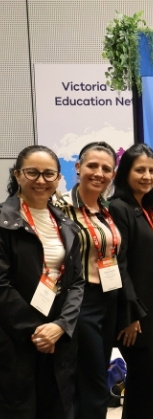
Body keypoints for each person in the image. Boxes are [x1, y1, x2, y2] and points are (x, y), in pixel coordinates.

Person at [0, 145, 84, 419]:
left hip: (57, 337)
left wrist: (60, 326)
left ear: (59, 178)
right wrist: (37, 331)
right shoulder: (3, 222)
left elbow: (76, 283)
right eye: (32, 173)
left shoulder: (67, 225)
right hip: (14, 338)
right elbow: (1, 285)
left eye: (49, 174)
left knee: (58, 407)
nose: (40, 180)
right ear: (17, 174)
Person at [55, 141, 138, 419]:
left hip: (108, 298)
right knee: (91, 382)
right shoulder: (59, 208)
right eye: (92, 166)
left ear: (113, 175)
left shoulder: (107, 209)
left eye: (106, 168)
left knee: (98, 372)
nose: (98, 173)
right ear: (78, 168)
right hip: (80, 301)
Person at [109, 143, 153, 419]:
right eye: (140, 170)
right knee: (141, 380)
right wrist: (129, 314)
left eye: (152, 170)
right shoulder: (118, 208)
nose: (147, 176)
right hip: (136, 312)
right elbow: (118, 265)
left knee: (147, 380)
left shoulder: (151, 211)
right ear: (126, 173)